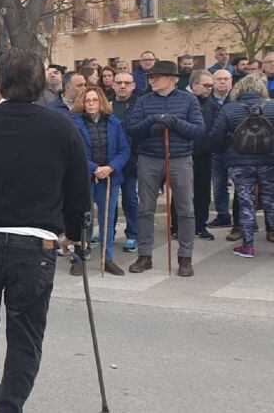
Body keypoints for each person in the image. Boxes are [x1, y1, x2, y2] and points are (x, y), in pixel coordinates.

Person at [0, 48, 89, 413]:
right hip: (34, 243)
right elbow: (78, 190)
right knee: (25, 328)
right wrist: (76, 233)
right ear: (40, 81)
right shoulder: (62, 127)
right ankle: (8, 404)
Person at [126, 60, 206, 276]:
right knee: (145, 209)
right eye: (150, 77)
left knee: (186, 209)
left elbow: (198, 131)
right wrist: (153, 120)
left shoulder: (189, 100)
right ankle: (144, 256)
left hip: (180, 158)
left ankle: (185, 257)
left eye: (156, 77)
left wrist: (174, 122)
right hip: (149, 158)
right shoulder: (143, 101)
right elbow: (133, 130)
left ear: (172, 79)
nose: (152, 80)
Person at [206, 73, 274, 259]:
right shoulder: (272, 106)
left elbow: (215, 139)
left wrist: (228, 148)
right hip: (269, 162)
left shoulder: (229, 109)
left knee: (246, 202)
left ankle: (248, 246)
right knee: (271, 201)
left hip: (239, 163)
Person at [67, 86, 130, 276]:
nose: (92, 104)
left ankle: (107, 259)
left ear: (101, 102)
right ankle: (78, 258)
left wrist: (111, 167)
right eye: (88, 101)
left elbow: (124, 150)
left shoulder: (114, 123)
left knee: (107, 221)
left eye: (95, 100)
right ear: (82, 103)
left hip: (109, 178)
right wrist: (94, 168)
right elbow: (73, 152)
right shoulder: (74, 123)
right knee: (83, 219)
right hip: (84, 178)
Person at [111, 71, 141, 251]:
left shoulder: (139, 104)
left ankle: (133, 235)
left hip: (131, 159)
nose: (122, 86)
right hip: (110, 161)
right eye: (119, 82)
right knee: (110, 200)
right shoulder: (106, 103)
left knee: (129, 198)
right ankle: (109, 232)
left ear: (133, 85)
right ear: (113, 85)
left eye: (126, 83)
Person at [187, 70, 218, 241]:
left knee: (203, 193)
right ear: (194, 86)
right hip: (184, 154)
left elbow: (217, 126)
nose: (209, 89)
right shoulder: (184, 101)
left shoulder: (212, 104)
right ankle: (176, 226)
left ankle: (200, 225)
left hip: (204, 155)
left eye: (211, 86)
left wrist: (210, 144)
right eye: (206, 85)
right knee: (181, 192)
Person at [209, 69, 235, 228]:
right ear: (213, 81)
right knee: (219, 185)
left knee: (242, 186)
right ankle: (223, 215)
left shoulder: (237, 99)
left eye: (226, 79)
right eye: (219, 79)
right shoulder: (206, 99)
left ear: (231, 80)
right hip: (215, 150)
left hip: (235, 150)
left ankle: (244, 219)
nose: (223, 82)